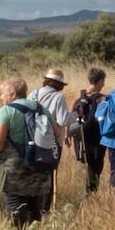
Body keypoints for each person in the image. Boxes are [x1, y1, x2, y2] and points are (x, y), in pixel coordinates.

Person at [0, 77, 62, 229]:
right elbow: (58, 134)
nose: (1, 97)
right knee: (34, 209)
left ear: (12, 94)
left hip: (13, 173)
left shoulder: (6, 110)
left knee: (16, 211)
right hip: (39, 168)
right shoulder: (41, 109)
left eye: (2, 93)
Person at [28, 69, 75, 214]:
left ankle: (33, 207)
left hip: (32, 140)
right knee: (49, 175)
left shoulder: (33, 94)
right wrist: (74, 116)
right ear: (59, 84)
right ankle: (45, 209)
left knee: (34, 174)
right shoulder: (58, 97)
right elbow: (63, 120)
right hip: (52, 142)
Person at [71, 68, 109, 193]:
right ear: (100, 81)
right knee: (96, 167)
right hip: (97, 138)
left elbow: (71, 114)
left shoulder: (79, 94)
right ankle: (91, 194)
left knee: (89, 165)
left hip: (81, 136)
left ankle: (90, 192)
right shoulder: (103, 98)